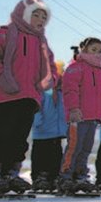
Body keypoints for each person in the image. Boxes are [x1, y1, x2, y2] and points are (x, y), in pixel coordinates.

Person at [0, 0, 57, 195]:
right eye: (36, 15)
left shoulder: (42, 43)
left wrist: (48, 81)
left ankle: (10, 173)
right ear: (23, 13)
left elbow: (51, 68)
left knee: (19, 138)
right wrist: (2, 77)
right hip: (5, 96)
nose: (40, 20)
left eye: (43, 17)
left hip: (29, 98)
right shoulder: (3, 33)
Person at [58, 37, 101, 194]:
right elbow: (70, 89)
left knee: (86, 147)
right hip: (79, 116)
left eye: (100, 51)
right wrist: (73, 109)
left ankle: (80, 175)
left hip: (93, 117)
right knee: (74, 146)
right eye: (93, 49)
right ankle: (66, 175)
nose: (97, 53)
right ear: (84, 49)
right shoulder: (77, 67)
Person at [31, 61, 67, 192]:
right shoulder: (44, 89)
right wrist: (37, 123)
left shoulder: (61, 92)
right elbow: (37, 107)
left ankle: (53, 177)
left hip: (57, 131)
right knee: (41, 155)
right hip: (43, 129)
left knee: (56, 155)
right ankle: (40, 178)